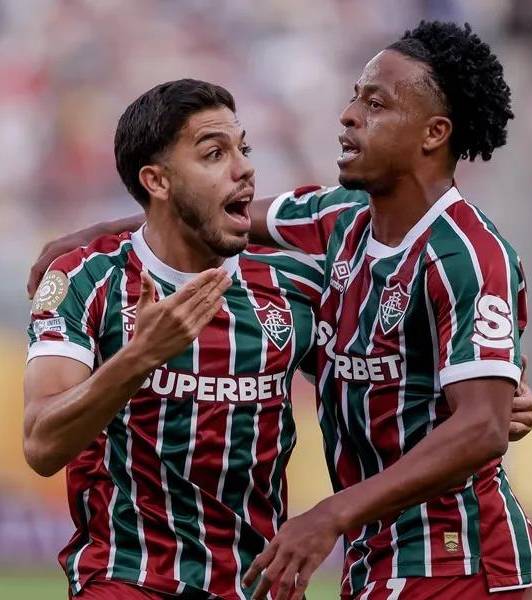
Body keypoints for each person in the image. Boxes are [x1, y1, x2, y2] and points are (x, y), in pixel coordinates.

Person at [28, 23, 532, 600]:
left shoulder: (468, 254)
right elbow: (208, 213)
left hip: (452, 554)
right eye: (355, 97)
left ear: (433, 133)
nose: (348, 115)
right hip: (369, 558)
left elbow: (483, 425)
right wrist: (92, 235)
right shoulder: (337, 220)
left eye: (374, 104)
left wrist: (332, 513)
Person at [24, 79, 322, 600]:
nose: (245, 168)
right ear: (157, 181)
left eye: (244, 148)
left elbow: (377, 388)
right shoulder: (86, 279)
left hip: (253, 584)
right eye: (214, 153)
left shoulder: (293, 288)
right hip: (126, 578)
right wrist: (141, 356)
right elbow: (42, 444)